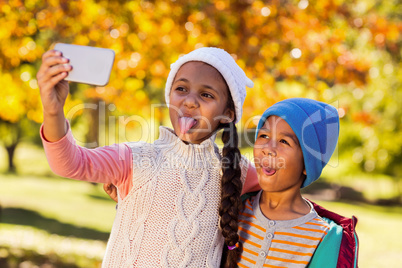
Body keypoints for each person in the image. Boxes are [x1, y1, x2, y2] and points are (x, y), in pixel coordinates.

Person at [36, 46, 260, 267]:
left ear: (228, 114)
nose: (190, 101)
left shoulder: (238, 172)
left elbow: (285, 189)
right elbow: (70, 164)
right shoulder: (135, 158)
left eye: (206, 94)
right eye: (181, 89)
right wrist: (53, 110)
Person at [222, 98, 358, 268]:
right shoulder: (235, 208)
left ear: (308, 164)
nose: (268, 148)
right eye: (263, 135)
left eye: (284, 141)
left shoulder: (322, 236)